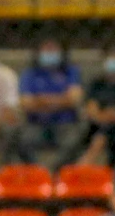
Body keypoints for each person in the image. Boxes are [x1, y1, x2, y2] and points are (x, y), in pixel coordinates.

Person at [18, 38, 84, 167]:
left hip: (65, 123)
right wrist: (60, 100)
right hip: (36, 123)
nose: (49, 53)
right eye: (46, 49)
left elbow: (74, 99)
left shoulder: (71, 71)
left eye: (53, 49)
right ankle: (38, 172)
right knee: (22, 141)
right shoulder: (30, 73)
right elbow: (25, 103)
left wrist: (41, 101)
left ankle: (56, 172)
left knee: (74, 142)